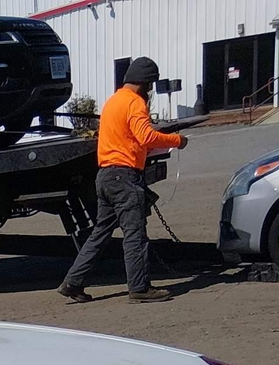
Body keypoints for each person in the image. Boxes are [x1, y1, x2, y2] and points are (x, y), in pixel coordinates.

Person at [59, 57, 188, 304]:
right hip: (124, 177)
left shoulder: (113, 101)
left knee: (100, 233)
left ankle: (72, 282)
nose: (151, 91)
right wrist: (176, 140)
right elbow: (146, 136)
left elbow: (129, 137)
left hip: (105, 176)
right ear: (145, 83)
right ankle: (139, 288)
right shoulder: (135, 103)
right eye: (151, 85)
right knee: (135, 234)